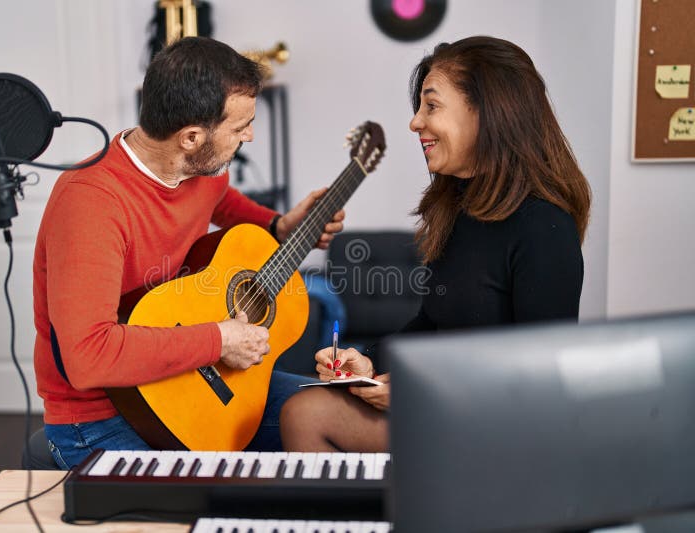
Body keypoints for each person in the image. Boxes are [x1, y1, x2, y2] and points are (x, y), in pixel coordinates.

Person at [33, 36, 344, 468]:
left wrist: (278, 224)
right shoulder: (91, 202)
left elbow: (220, 199)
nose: (249, 135)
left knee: (345, 418)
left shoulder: (199, 168)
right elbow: (89, 356)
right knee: (207, 514)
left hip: (192, 379)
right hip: (101, 418)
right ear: (192, 137)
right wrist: (219, 339)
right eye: (239, 128)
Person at [280, 35, 591, 452]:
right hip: (449, 409)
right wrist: (368, 360)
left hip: (500, 432)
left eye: (432, 105)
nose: (415, 123)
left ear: (488, 112)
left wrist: (419, 393)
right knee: (302, 406)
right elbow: (431, 325)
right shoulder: (461, 208)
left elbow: (542, 375)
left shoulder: (545, 228)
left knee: (305, 413)